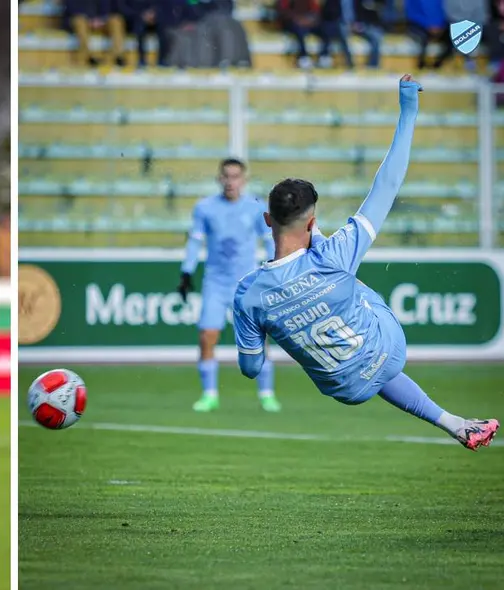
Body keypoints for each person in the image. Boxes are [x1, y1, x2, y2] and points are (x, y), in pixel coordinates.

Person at [232, 75, 499, 451]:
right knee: (353, 290)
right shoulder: (334, 254)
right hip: (388, 347)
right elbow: (387, 185)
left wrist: (282, 323)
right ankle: (322, 252)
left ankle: (455, 424)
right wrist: (409, 107)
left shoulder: (248, 294)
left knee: (355, 347)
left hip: (344, 387)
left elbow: (251, 369)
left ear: (266, 221)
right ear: (311, 222)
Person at [178, 158, 279, 413]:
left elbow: (269, 239)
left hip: (247, 283)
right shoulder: (205, 208)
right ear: (219, 178)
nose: (230, 181)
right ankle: (209, 394)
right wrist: (186, 272)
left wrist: (276, 265)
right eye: (226, 176)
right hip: (216, 282)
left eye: (235, 176)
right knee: (207, 336)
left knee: (259, 338)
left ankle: (267, 394)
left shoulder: (256, 208)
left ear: (243, 180)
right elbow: (195, 240)